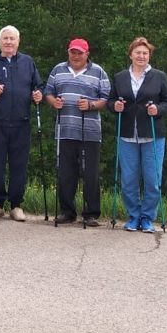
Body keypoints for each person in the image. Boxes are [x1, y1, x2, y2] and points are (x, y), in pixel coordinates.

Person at [0, 25, 44, 221]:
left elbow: (38, 86)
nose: (8, 42)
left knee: (19, 165)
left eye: (12, 39)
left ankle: (16, 205)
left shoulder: (27, 62)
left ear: (18, 41)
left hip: (22, 122)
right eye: (5, 38)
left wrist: (38, 95)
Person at [107, 36, 167, 233]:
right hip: (127, 134)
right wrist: (115, 106)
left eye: (145, 53)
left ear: (149, 55)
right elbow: (110, 101)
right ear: (131, 55)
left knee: (153, 179)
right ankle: (133, 217)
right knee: (128, 180)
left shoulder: (159, 76)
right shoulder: (120, 77)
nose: (141, 56)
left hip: (152, 135)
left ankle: (147, 218)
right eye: (138, 52)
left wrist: (157, 110)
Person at [44, 38, 110, 226]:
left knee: (90, 173)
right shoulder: (58, 69)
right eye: (73, 52)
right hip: (64, 129)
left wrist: (90, 105)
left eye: (80, 52)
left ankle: (91, 213)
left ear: (87, 54)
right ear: (68, 52)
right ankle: (67, 211)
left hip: (89, 130)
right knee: (66, 173)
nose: (76, 55)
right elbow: (48, 92)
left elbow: (106, 99)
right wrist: (53, 102)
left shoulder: (98, 72)